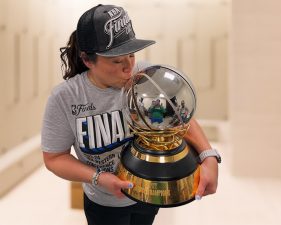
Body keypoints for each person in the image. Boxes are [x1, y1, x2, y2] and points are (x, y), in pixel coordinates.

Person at [41, 4, 220, 225]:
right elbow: (54, 158)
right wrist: (98, 177)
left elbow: (177, 119)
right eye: (116, 61)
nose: (129, 68)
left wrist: (208, 155)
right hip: (104, 202)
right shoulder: (66, 98)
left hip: (148, 191)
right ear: (88, 60)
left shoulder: (146, 78)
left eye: (131, 56)